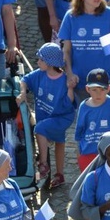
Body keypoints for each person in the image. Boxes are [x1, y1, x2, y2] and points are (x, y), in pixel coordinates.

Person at [17, 43, 76, 189]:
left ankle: (43, 164)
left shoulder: (64, 81)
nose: (37, 62)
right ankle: (60, 174)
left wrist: (70, 89)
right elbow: (24, 80)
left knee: (40, 129)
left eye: (40, 60)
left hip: (62, 117)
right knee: (59, 141)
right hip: (47, 115)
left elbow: (68, 103)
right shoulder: (39, 74)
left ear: (50, 63)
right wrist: (23, 92)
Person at [60, 0, 110, 101]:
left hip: (105, 82)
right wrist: (70, 74)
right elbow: (66, 50)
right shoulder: (71, 17)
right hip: (80, 82)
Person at [75, 69, 110, 171]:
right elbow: (79, 133)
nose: (98, 94)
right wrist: (79, 154)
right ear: (87, 89)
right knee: (89, 183)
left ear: (108, 88)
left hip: (109, 155)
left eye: (102, 89)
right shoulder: (83, 107)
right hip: (88, 153)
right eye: (94, 90)